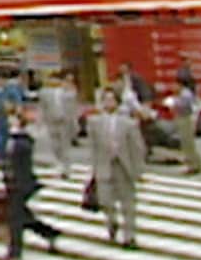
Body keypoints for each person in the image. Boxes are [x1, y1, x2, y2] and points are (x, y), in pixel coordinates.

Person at [88, 87, 145, 248]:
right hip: (104, 166)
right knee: (106, 201)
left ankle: (130, 236)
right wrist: (93, 168)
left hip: (123, 166)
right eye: (105, 99)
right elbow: (93, 148)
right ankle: (111, 222)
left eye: (111, 99)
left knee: (128, 203)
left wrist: (138, 169)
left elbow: (137, 147)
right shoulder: (94, 122)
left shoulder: (128, 123)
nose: (108, 103)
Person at [3, 110, 61, 260]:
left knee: (15, 218)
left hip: (21, 184)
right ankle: (49, 233)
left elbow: (21, 165)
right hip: (14, 183)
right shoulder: (14, 139)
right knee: (22, 216)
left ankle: (15, 251)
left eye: (13, 119)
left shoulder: (22, 141)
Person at [39, 72, 76, 179]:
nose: (54, 82)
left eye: (56, 80)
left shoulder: (67, 92)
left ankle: (66, 169)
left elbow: (72, 106)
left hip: (64, 122)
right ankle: (59, 163)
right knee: (55, 145)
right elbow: (42, 107)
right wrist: (41, 121)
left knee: (65, 146)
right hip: (51, 122)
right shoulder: (44, 93)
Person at [0, 70, 25, 163]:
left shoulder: (11, 90)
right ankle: (1, 154)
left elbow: (18, 104)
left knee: (4, 138)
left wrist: (17, 117)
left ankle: (2, 156)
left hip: (9, 116)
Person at [172, 76, 201, 175]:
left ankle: (194, 165)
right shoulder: (184, 94)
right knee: (187, 144)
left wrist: (174, 102)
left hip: (185, 119)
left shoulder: (185, 95)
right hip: (184, 119)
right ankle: (194, 164)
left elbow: (183, 107)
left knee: (188, 144)